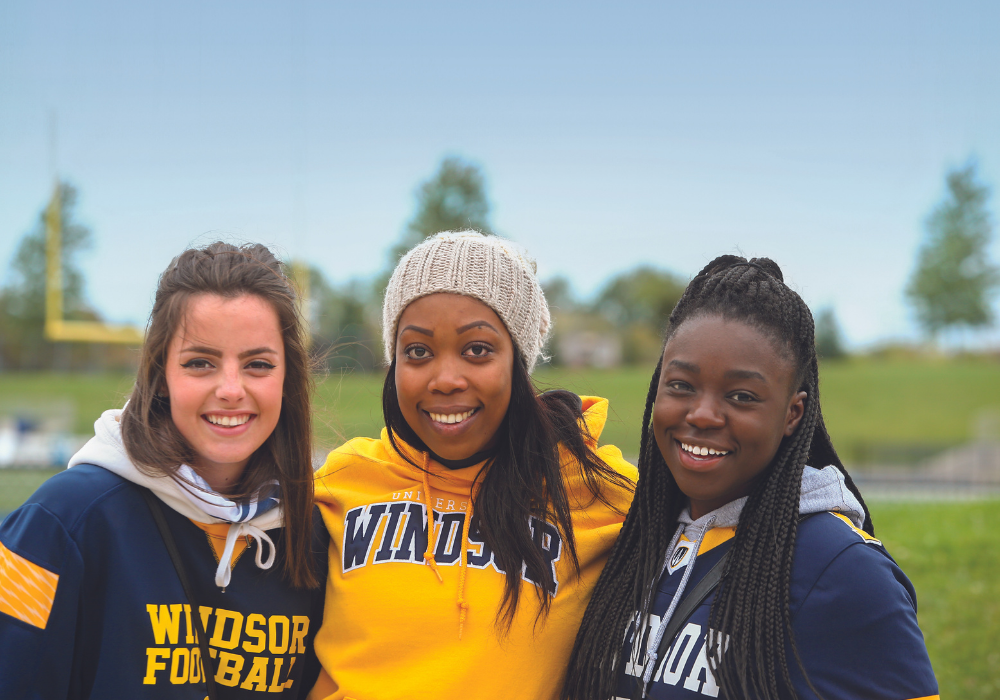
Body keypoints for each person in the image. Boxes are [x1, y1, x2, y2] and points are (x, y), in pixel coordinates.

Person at [564, 256, 938, 700]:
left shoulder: (843, 570)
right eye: (681, 385)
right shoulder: (632, 538)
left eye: (741, 396)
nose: (701, 415)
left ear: (792, 414)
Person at [309, 231, 637, 700]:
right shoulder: (343, 480)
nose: (445, 379)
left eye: (477, 349)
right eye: (417, 351)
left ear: (518, 362)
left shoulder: (595, 489)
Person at [0, 242, 328, 700]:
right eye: (200, 363)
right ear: (161, 374)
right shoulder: (63, 519)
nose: (231, 389)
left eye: (258, 364)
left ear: (287, 379)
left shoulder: (315, 536)